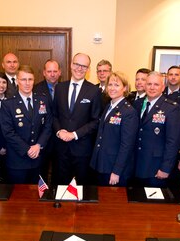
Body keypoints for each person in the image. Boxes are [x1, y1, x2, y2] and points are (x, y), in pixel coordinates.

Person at [53, 52, 102, 185]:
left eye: (84, 66)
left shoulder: (94, 91)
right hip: (61, 149)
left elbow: (96, 121)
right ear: (71, 65)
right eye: (77, 64)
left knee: (82, 188)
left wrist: (74, 134)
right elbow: (54, 115)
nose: (79, 68)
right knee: (61, 186)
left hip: (82, 149)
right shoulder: (59, 88)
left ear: (88, 69)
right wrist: (59, 131)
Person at [0, 65, 52, 184]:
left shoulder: (42, 100)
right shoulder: (8, 104)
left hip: (38, 159)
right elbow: (8, 132)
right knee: (18, 198)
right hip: (18, 161)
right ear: (17, 81)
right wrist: (27, 149)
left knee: (38, 196)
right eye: (24, 79)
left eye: (30, 79)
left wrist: (38, 145)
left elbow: (48, 125)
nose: (27, 83)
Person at [133, 71, 180, 187]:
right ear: (145, 86)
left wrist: (165, 168)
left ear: (163, 87)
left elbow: (173, 142)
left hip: (156, 168)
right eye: (149, 84)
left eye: (156, 84)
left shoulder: (171, 108)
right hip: (136, 164)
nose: (152, 87)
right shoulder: (137, 104)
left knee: (153, 203)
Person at [90, 71, 138, 186]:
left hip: (114, 169)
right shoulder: (109, 106)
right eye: (110, 85)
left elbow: (127, 145)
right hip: (102, 164)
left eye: (117, 85)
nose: (112, 88)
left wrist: (117, 171)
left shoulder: (129, 112)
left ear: (125, 88)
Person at [33, 59, 61, 184]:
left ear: (59, 72)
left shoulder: (65, 88)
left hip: (61, 139)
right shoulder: (35, 90)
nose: (52, 74)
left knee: (59, 171)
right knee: (42, 172)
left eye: (55, 71)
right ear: (44, 73)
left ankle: (56, 195)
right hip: (43, 138)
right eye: (49, 71)